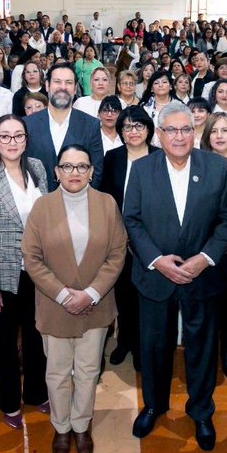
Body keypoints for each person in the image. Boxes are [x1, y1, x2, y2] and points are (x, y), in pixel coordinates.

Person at [123, 102, 227, 452]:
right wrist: (156, 260)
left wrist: (204, 258)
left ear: (195, 132)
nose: (180, 136)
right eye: (171, 130)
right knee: (155, 346)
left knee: (202, 347)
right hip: (156, 277)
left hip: (202, 277)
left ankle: (201, 411)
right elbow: (133, 220)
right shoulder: (141, 169)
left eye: (186, 129)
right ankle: (154, 405)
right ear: (159, 134)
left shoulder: (216, 167)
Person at [22, 145, 127, 453]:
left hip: (96, 305)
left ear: (92, 171)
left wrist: (92, 293)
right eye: (67, 167)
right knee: (55, 372)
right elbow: (32, 258)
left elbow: (117, 253)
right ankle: (61, 427)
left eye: (82, 167)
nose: (75, 173)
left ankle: (81, 426)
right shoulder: (42, 207)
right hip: (56, 306)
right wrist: (64, 294)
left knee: (87, 369)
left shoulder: (107, 204)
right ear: (56, 172)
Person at [0, 115, 51, 429]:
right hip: (2, 278)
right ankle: (10, 403)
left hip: (39, 274)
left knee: (36, 337)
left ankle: (36, 392)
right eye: (5, 136)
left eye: (18, 136)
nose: (12, 142)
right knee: (4, 345)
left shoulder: (39, 169)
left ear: (26, 139)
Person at [99, 106, 158, 369]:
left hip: (152, 240)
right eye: (127, 127)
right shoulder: (112, 157)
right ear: (120, 131)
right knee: (123, 294)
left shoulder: (160, 157)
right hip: (119, 239)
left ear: (148, 130)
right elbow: (104, 198)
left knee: (146, 296)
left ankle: (142, 345)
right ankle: (125, 340)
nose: (133, 132)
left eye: (138, 126)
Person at [200, 112, 227, 376]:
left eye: (225, 130)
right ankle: (206, 353)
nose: (219, 136)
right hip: (206, 247)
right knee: (206, 305)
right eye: (214, 131)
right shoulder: (199, 162)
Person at [25, 63, 105, 190]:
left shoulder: (91, 125)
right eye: (57, 81)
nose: (63, 87)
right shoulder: (27, 124)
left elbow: (96, 171)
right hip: (37, 204)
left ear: (74, 89)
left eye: (68, 82)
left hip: (78, 203)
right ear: (47, 85)